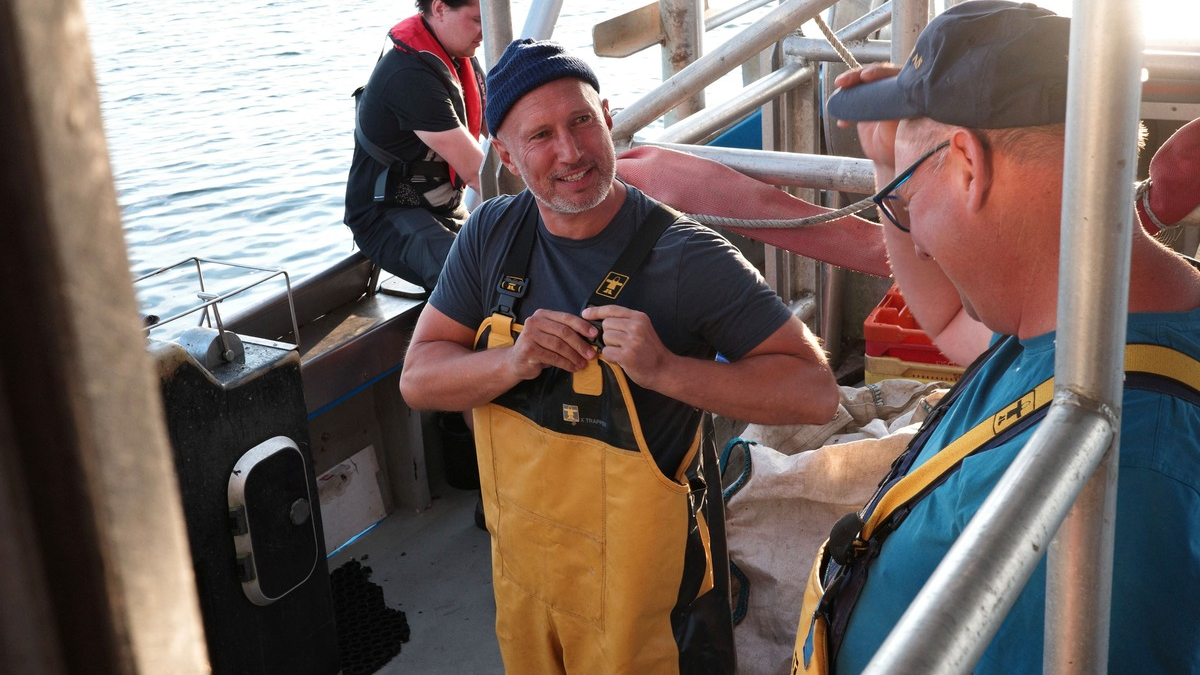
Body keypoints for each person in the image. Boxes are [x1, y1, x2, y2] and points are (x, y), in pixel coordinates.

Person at [399, 38, 839, 675]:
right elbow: (419, 378)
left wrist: (668, 370)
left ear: (608, 118)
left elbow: (815, 391)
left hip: (653, 605)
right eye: (541, 134)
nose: (571, 152)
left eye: (581, 121)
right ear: (507, 156)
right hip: (527, 584)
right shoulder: (490, 234)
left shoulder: (686, 256)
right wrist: (513, 362)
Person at [789, 3, 1200, 674]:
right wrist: (893, 169)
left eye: (906, 201)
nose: (915, 240)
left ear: (969, 165)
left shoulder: (1118, 498)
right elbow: (950, 321)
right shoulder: (1081, 319)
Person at [343, 0, 486, 291]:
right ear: (440, 8)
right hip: (387, 216)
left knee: (514, 261)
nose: (484, 32)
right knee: (472, 280)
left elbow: (504, 128)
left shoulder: (460, 54)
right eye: (476, 20)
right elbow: (477, 173)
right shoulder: (409, 74)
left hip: (446, 208)